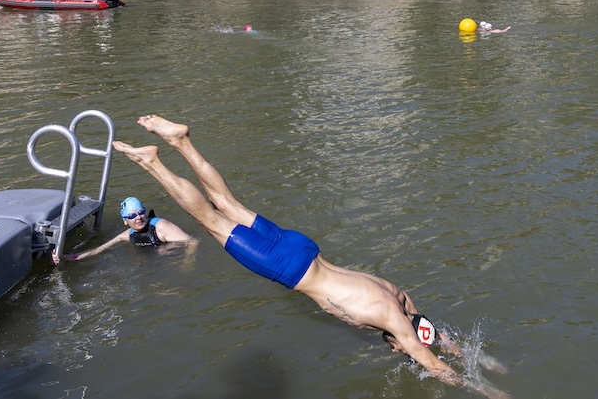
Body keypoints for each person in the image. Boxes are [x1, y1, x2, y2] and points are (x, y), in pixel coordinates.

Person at [112, 115, 509, 398]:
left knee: (227, 203)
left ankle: (181, 139)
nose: (395, 349)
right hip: (290, 267)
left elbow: (429, 330)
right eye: (398, 347)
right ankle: (153, 161)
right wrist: (484, 388)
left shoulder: (398, 296)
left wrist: (479, 357)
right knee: (210, 220)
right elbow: (433, 362)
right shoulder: (393, 318)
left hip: (303, 246)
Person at [52, 196, 194, 263]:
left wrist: (187, 261)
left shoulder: (161, 227)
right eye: (132, 215)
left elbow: (192, 242)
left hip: (170, 256)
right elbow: (99, 250)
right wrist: (66, 257)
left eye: (141, 212)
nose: (138, 217)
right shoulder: (127, 235)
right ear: (125, 221)